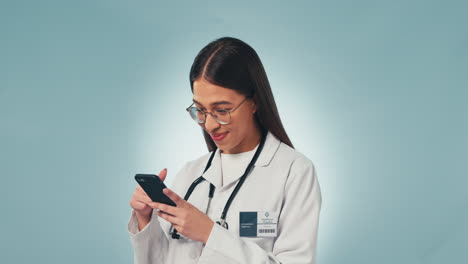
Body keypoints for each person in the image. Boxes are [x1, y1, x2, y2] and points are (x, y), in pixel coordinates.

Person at [127, 36, 322, 264]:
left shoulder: (294, 172)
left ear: (254, 102)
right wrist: (145, 220)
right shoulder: (191, 174)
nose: (209, 124)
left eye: (221, 110)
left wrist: (210, 233)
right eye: (200, 110)